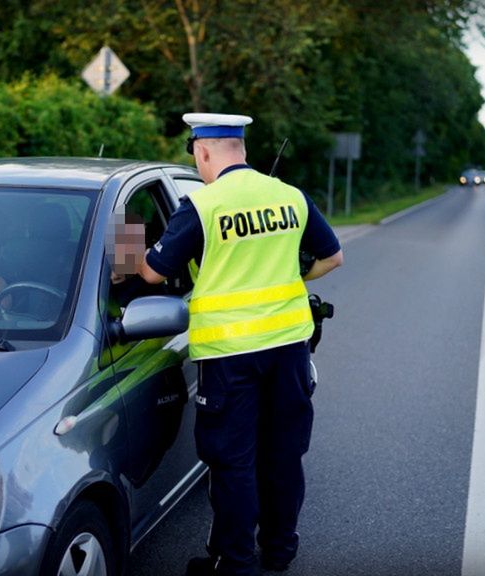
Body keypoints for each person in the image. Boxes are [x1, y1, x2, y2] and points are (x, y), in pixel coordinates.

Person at [138, 113, 344, 576]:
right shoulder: (289, 196)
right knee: (283, 454)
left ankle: (235, 564)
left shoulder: (203, 206)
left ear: (203, 151)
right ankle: (279, 551)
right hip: (290, 349)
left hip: (230, 358)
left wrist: (124, 233)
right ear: (243, 149)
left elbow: (151, 272)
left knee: (233, 463)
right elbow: (333, 257)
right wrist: (290, 277)